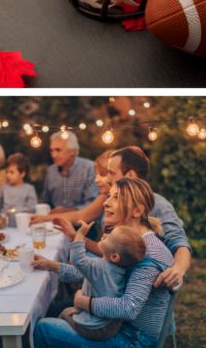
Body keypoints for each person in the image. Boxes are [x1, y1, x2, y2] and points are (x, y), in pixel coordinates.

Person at [32, 177, 175, 348]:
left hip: (133, 339)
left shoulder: (147, 252)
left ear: (137, 211)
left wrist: (86, 303)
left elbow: (129, 308)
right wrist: (51, 266)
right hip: (114, 325)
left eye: (116, 198)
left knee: (43, 329)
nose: (106, 203)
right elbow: (99, 272)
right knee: (53, 316)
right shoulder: (128, 242)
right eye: (109, 196)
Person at [35, 147, 192, 294]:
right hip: (114, 283)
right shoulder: (111, 198)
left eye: (110, 173)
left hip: (129, 294)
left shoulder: (158, 205)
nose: (107, 178)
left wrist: (178, 269)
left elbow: (179, 242)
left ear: (130, 175)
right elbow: (110, 260)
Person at [58, 220, 146, 341]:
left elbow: (77, 260)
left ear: (115, 257)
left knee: (63, 313)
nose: (104, 235)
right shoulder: (121, 271)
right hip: (110, 325)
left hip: (93, 327)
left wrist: (79, 235)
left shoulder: (98, 266)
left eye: (110, 238)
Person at [41, 131, 99, 213]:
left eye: (58, 150)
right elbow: (45, 202)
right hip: (54, 223)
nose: (53, 155)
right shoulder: (51, 170)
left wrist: (66, 211)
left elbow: (93, 204)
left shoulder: (89, 169)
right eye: (51, 150)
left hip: (82, 224)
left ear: (73, 151)